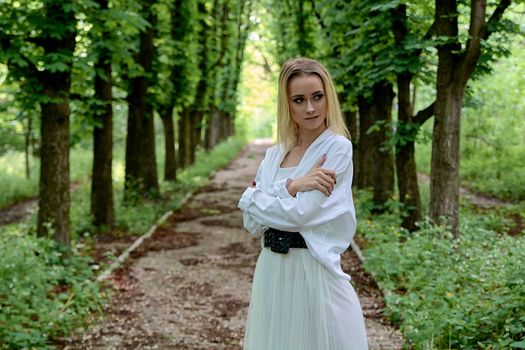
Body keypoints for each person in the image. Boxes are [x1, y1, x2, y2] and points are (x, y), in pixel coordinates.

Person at [237, 57, 368, 350]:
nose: (310, 108)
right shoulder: (274, 155)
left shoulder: (336, 148)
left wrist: (252, 198)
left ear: (327, 97)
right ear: (287, 104)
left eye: (317, 97)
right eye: (299, 99)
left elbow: (301, 215)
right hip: (272, 271)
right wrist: (293, 186)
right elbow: (253, 224)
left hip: (313, 271)